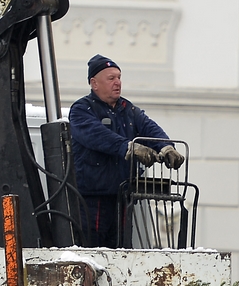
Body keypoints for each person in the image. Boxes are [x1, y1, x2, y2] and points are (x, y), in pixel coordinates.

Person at [68, 54, 184, 247]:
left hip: (122, 197)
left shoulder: (127, 109)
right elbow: (97, 135)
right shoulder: (82, 110)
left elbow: (149, 127)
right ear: (94, 83)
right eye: (111, 78)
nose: (117, 83)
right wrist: (129, 147)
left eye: (119, 77)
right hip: (92, 199)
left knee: (121, 250)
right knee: (92, 250)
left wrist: (166, 146)